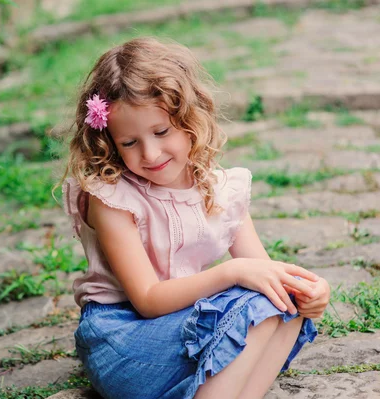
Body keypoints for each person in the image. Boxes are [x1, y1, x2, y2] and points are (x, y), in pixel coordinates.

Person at [60, 37, 330, 399]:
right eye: (129, 143)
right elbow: (148, 299)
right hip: (125, 343)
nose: (150, 153)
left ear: (190, 118)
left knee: (281, 303)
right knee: (252, 303)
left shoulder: (220, 189)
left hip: (185, 330)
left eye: (161, 132)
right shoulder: (112, 197)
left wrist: (307, 290)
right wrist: (231, 272)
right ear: (109, 141)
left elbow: (265, 274)